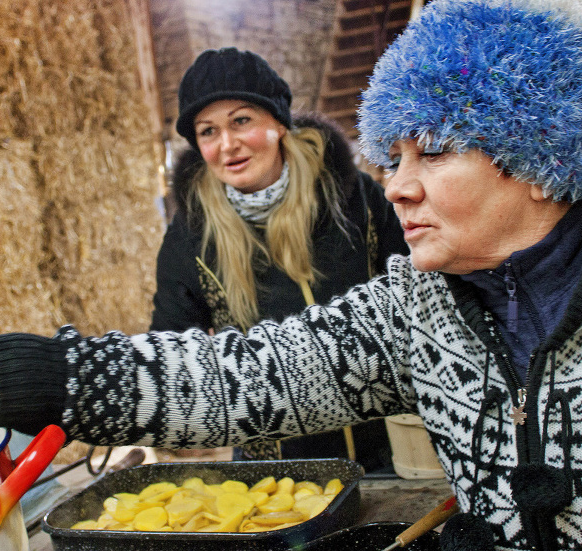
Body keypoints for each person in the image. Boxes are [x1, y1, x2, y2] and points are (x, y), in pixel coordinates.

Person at [0, 0, 582, 550]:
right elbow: (228, 374)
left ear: (540, 157)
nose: (399, 186)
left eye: (433, 152)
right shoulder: (417, 304)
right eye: (393, 157)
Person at [150, 47, 406, 469]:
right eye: (208, 131)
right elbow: (170, 345)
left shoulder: (353, 197)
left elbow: (415, 287)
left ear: (279, 123)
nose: (227, 144)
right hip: (274, 470)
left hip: (388, 452)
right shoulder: (192, 234)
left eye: (242, 121)